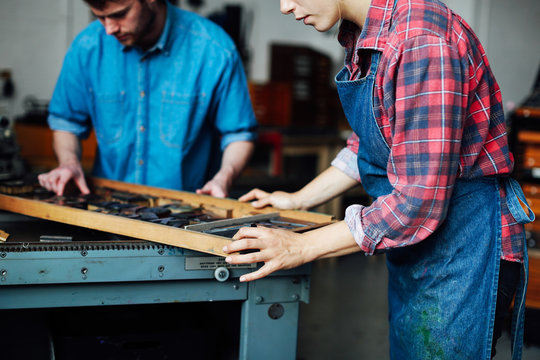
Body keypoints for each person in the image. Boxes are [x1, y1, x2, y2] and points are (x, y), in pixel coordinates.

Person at [223, 0, 534, 358]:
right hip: (421, 249)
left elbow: (418, 201)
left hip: (464, 247)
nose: (284, 7)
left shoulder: (420, 39)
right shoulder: (367, 35)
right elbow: (372, 143)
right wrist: (298, 199)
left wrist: (301, 246)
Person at [38, 0, 257, 198]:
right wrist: (69, 163)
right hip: (107, 212)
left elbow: (238, 133)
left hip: (186, 217)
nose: (109, 29)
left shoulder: (214, 49)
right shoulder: (86, 47)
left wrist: (223, 178)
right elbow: (66, 123)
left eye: (119, 14)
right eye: (100, 17)